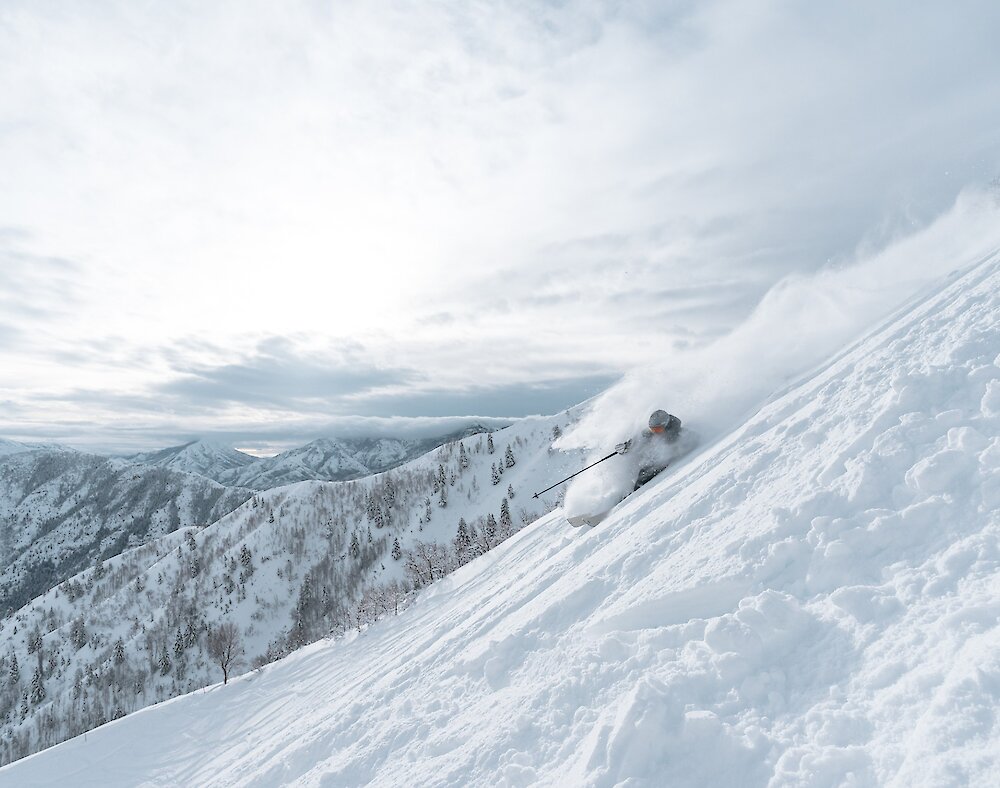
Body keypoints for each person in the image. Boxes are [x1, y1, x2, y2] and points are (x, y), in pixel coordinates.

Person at [616, 409, 683, 490]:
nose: (655, 432)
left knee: (645, 474)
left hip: (667, 460)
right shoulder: (654, 432)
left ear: (665, 425)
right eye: (653, 429)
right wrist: (627, 446)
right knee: (640, 466)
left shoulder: (674, 431)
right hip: (656, 457)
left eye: (658, 429)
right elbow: (640, 439)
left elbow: (672, 446)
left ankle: (638, 490)